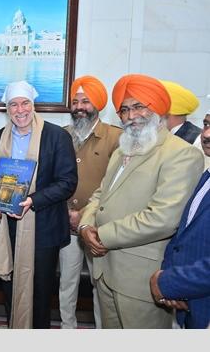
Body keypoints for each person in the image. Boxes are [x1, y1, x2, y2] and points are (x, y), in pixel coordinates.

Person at [78, 73, 204, 329]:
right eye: (124, 110)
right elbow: (100, 195)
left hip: (140, 279)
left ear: (158, 108)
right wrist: (84, 226)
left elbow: (162, 218)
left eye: (138, 107)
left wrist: (101, 235)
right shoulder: (122, 150)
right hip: (105, 270)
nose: (131, 115)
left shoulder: (182, 154)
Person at [0, 80, 78, 329]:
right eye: (13, 105)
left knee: (39, 292)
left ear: (33, 104)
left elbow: (67, 182)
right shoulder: (0, 137)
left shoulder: (57, 136)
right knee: (9, 285)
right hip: (9, 227)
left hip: (43, 228)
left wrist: (33, 200)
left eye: (25, 103)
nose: (20, 110)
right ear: (7, 109)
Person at [58, 76, 122, 329]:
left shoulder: (115, 137)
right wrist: (66, 212)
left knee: (101, 285)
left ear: (98, 104)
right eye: (75, 102)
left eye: (85, 101)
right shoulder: (61, 135)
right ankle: (67, 328)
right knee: (67, 282)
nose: (79, 107)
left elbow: (116, 184)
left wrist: (84, 214)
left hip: (98, 226)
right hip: (65, 223)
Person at [149, 109, 210, 329]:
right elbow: (183, 236)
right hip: (190, 303)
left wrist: (166, 282)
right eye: (206, 124)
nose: (207, 134)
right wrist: (171, 279)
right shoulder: (206, 177)